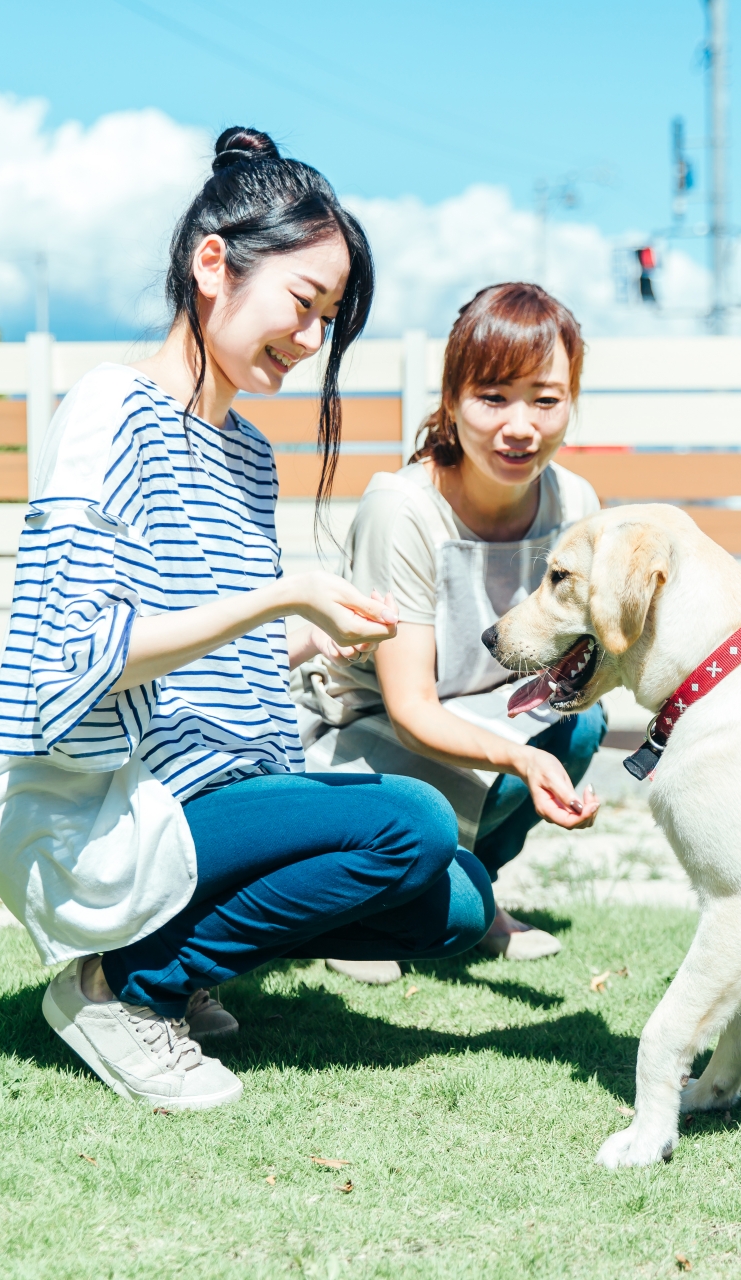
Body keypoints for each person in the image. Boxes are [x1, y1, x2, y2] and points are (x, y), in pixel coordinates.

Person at [0, 127, 494, 1110]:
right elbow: (77, 658)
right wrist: (278, 595)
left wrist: (311, 628)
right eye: (305, 304)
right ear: (213, 263)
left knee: (459, 901)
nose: (309, 341)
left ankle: (179, 953)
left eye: (328, 320)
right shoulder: (108, 413)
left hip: (210, 780)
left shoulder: (249, 455)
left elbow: (214, 639)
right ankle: (122, 987)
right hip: (99, 797)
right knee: (413, 823)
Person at [296, 283, 606, 979]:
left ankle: (475, 887)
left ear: (572, 404)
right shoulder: (402, 508)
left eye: (546, 399)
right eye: (493, 397)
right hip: (366, 737)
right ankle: (353, 914)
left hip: (487, 716)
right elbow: (408, 711)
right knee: (533, 745)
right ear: (451, 401)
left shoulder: (576, 501)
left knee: (582, 723)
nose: (520, 426)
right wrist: (523, 760)